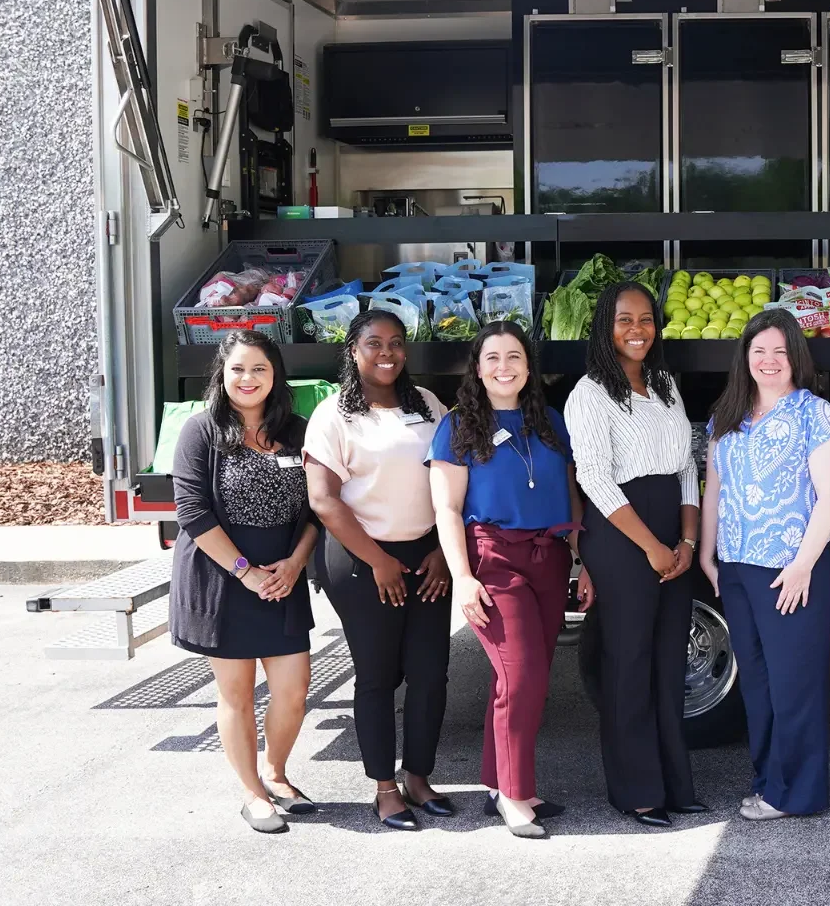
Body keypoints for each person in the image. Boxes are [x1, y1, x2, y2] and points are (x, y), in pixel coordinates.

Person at [428, 321, 582, 838]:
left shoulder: (550, 421)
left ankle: (502, 782)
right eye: (492, 358)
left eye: (514, 356)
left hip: (550, 555)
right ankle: (516, 796)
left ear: (528, 366)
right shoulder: (457, 426)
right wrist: (463, 578)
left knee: (513, 679)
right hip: (494, 559)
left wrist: (583, 560)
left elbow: (572, 494)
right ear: (477, 367)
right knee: (523, 676)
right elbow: (447, 507)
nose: (503, 367)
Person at [303, 310, 453, 830]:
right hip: (362, 561)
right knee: (377, 676)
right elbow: (324, 502)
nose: (386, 352)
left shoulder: (428, 405)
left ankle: (418, 777)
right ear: (353, 350)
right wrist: (379, 561)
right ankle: (384, 788)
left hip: (427, 556)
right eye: (373, 343)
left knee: (431, 672)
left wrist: (440, 549)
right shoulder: (333, 416)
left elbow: (452, 479)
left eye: (395, 342)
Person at [167, 329, 321, 834]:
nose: (248, 378)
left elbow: (320, 508)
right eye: (237, 369)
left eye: (259, 369)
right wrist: (246, 573)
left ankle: (277, 774)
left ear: (275, 376)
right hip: (223, 580)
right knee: (236, 694)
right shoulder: (201, 430)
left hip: (283, 578)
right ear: (222, 374)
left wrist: (296, 563)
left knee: (294, 690)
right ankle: (253, 792)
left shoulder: (299, 432)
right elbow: (191, 510)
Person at [564, 281, 705, 828]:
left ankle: (674, 783)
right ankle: (635, 791)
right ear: (606, 325)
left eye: (646, 319)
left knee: (669, 662)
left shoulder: (666, 384)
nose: (637, 330)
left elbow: (686, 466)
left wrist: (687, 541)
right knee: (628, 663)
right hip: (623, 536)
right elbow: (595, 478)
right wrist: (651, 547)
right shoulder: (589, 393)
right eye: (625, 319)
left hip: (672, 527)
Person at [700, 310, 830, 822]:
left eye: (780, 352)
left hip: (790, 571)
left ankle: (797, 794)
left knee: (794, 684)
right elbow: (714, 487)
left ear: (795, 359)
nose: (768, 361)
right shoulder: (728, 415)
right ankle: (769, 783)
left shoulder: (816, 414)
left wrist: (805, 564)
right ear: (745, 357)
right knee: (758, 683)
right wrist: (705, 552)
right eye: (758, 350)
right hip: (737, 567)